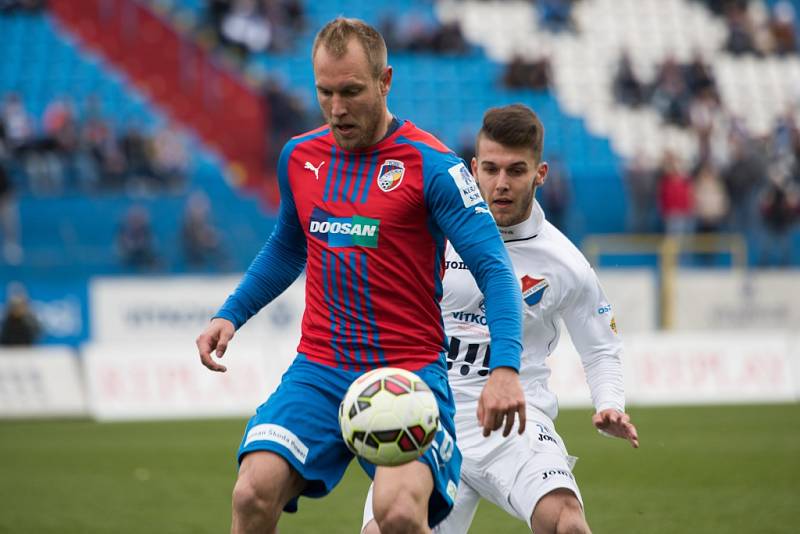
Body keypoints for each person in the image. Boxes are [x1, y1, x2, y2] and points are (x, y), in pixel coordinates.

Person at [194, 18, 526, 534]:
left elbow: (495, 270)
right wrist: (230, 313)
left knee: (396, 514)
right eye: (325, 92)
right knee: (252, 492)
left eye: (351, 91)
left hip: (406, 374)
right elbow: (287, 246)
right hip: (319, 370)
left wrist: (505, 367)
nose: (337, 108)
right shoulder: (300, 158)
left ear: (385, 80)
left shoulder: (433, 166)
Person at [363, 104, 639, 534]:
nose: (501, 184)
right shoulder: (431, 236)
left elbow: (601, 346)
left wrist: (609, 405)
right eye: (490, 169)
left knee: (567, 524)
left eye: (516, 170)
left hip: (517, 423)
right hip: (428, 415)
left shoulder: (565, 262)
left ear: (540, 173)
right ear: (473, 168)